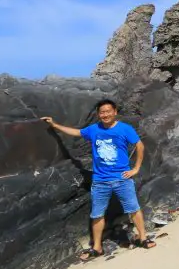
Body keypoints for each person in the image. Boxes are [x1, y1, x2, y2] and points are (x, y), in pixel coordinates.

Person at [42, 99, 155, 260]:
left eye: (108, 111)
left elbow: (140, 145)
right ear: (98, 114)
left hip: (122, 178)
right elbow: (76, 132)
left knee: (133, 208)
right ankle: (97, 247)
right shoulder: (93, 129)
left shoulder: (125, 129)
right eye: (102, 112)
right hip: (100, 180)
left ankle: (143, 238)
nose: (105, 114)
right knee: (97, 214)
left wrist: (135, 169)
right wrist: (55, 125)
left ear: (115, 112)